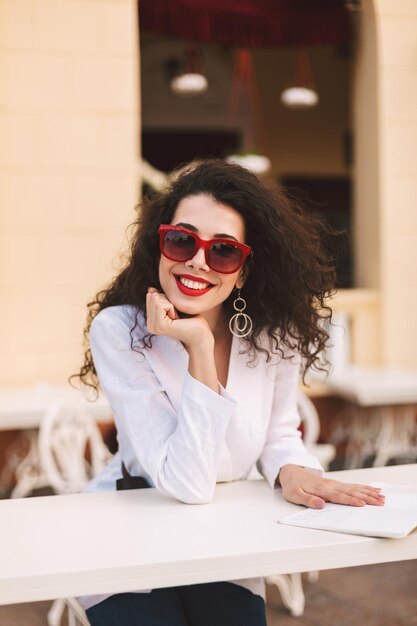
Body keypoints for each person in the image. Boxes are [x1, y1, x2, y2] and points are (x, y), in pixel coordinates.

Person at [74, 159, 384, 626]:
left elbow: (279, 434)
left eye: (223, 251)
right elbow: (186, 484)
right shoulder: (120, 330)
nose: (197, 260)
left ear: (241, 272)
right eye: (182, 240)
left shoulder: (273, 336)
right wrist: (199, 346)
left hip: (222, 533)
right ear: (159, 247)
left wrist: (291, 470)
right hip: (128, 534)